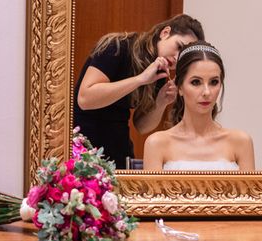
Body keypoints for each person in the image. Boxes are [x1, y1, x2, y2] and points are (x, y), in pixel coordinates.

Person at [73, 14, 204, 167]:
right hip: (82, 145)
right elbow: (85, 99)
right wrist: (140, 79)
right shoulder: (117, 46)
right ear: (165, 33)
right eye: (178, 47)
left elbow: (142, 127)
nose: (177, 57)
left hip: (117, 151)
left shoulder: (159, 73)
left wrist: (161, 103)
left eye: (183, 55)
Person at [143, 42, 254, 171]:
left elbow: (249, 191)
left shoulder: (241, 142)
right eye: (196, 82)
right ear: (179, 87)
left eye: (214, 82)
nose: (207, 92)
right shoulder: (157, 144)